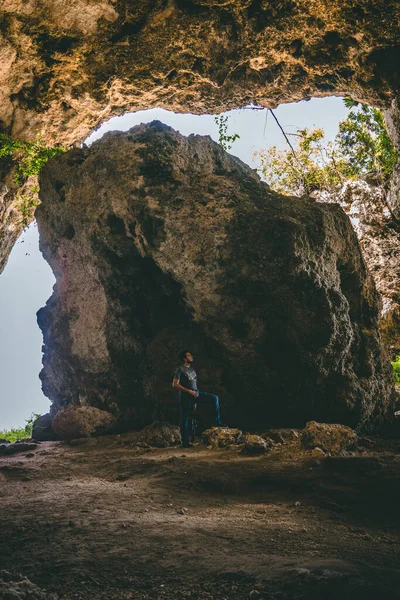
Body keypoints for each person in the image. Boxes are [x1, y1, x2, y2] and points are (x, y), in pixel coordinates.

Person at [172, 350, 227, 448]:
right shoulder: (180, 369)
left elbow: (194, 384)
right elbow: (175, 384)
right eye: (189, 355)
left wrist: (195, 399)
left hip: (195, 394)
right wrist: (188, 391)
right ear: (184, 358)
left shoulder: (192, 370)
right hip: (185, 396)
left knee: (214, 398)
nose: (191, 356)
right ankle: (185, 443)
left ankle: (217, 422)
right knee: (184, 419)